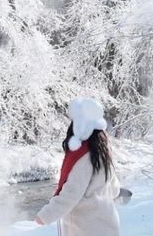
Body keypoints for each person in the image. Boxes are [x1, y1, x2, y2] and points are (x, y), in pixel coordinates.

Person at [34, 98, 120, 236]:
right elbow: (114, 189)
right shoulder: (103, 154)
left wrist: (45, 215)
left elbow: (71, 194)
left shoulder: (82, 157)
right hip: (107, 224)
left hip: (86, 228)